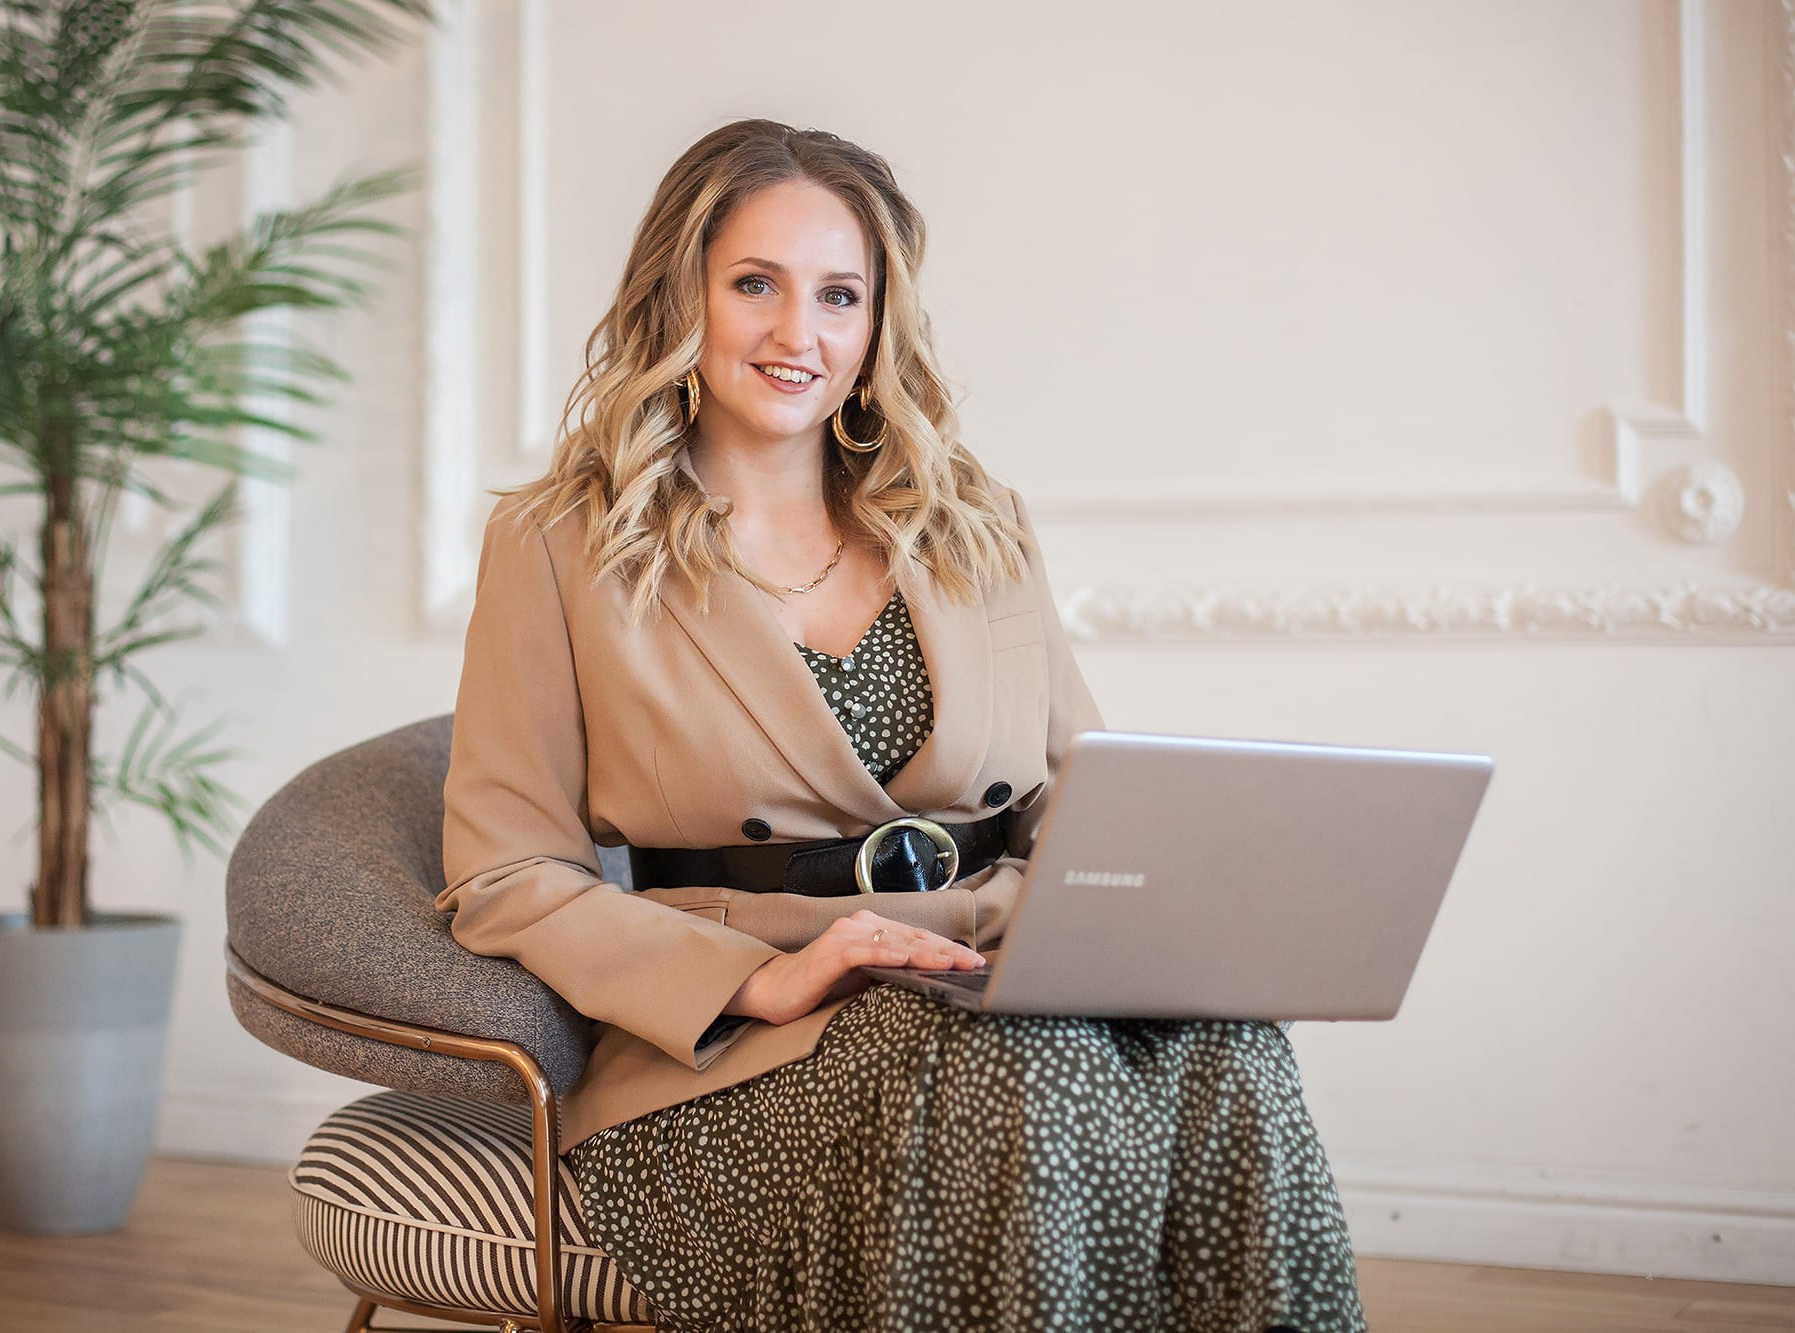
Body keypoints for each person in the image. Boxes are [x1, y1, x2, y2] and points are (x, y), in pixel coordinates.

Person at [437, 118, 1365, 1333]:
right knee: (1019, 1075)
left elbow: (1078, 791)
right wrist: (761, 982)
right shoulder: (559, 543)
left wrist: (1149, 924)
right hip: (749, 1043)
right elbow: (507, 872)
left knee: (1232, 1052)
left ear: (878, 323)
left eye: (839, 295)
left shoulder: (973, 520)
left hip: (993, 964)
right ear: (681, 294)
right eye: (754, 285)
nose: (797, 335)